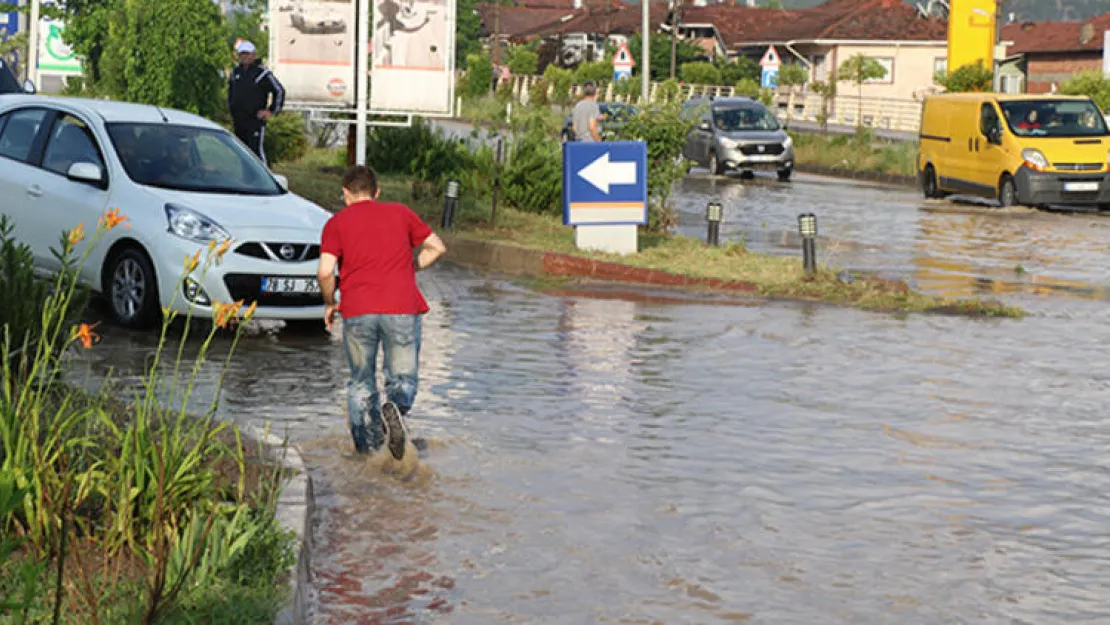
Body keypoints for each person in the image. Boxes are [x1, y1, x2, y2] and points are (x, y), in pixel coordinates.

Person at [317, 165, 448, 460]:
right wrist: (411, 266)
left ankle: (367, 452)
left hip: (357, 310)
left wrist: (329, 301)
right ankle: (396, 410)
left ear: (345, 194)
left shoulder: (336, 223)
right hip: (402, 307)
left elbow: (325, 271)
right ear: (377, 192)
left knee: (361, 381)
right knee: (402, 377)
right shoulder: (401, 213)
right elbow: (437, 247)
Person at [227, 40, 285, 165]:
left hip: (254, 120)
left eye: (247, 54)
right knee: (242, 152)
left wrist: (271, 110)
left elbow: (279, 91)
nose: (245, 56)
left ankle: (263, 180)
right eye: (242, 54)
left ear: (253, 55)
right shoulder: (235, 72)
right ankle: (246, 180)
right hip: (239, 120)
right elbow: (231, 92)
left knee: (255, 152)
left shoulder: (262, 73)